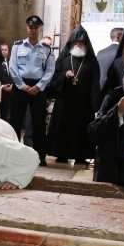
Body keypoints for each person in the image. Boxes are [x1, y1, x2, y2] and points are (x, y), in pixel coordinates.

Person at [46, 25, 100, 164]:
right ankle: (62, 154)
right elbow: (54, 78)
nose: (77, 44)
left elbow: (95, 83)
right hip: (65, 101)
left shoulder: (92, 61)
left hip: (84, 103)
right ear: (70, 44)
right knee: (63, 127)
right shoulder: (64, 59)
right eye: (75, 42)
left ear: (86, 44)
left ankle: (80, 156)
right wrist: (64, 75)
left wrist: (95, 103)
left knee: (81, 129)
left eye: (80, 42)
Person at [8, 15, 55, 166]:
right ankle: (12, 154)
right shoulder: (17, 46)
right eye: (30, 27)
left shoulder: (46, 49)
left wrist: (39, 86)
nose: (33, 30)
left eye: (36, 28)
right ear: (26, 28)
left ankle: (40, 156)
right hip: (20, 86)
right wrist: (21, 85)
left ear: (40, 30)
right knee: (15, 121)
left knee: (39, 123)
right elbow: (12, 67)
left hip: (38, 88)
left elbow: (50, 70)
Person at [96, 27, 123, 109]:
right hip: (118, 92)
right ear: (118, 37)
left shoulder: (100, 53)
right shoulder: (123, 52)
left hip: (101, 91)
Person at [0, 43, 13, 121]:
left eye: (5, 50)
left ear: (8, 51)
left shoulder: (11, 63)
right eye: (2, 50)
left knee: (5, 116)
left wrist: (12, 86)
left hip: (9, 94)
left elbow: (14, 76)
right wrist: (2, 87)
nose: (4, 51)